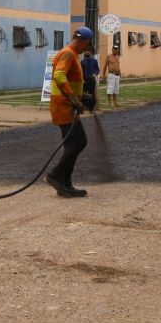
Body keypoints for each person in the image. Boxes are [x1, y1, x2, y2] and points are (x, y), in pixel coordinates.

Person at [45, 26, 93, 198]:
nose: (85, 49)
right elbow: (59, 76)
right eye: (86, 45)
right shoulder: (68, 53)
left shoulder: (69, 53)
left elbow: (68, 80)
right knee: (78, 142)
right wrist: (74, 99)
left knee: (72, 144)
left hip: (66, 105)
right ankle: (55, 176)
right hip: (64, 106)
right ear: (85, 42)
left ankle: (65, 182)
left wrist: (83, 96)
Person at [80, 47, 100, 112]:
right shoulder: (82, 62)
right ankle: (85, 106)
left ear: (90, 52)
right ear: (84, 53)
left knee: (91, 94)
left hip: (91, 79)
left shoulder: (94, 61)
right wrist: (82, 79)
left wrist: (95, 74)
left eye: (88, 51)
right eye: (86, 51)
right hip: (85, 80)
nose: (87, 52)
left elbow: (97, 69)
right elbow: (81, 71)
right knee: (84, 94)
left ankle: (91, 108)